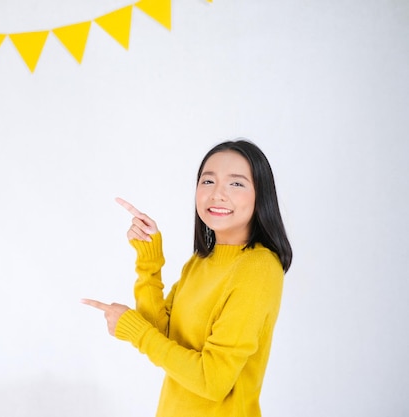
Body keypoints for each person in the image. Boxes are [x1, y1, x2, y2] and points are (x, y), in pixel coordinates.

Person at [82, 139, 292, 417]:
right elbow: (162, 333)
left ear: (260, 195)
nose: (218, 194)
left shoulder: (258, 268)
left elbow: (212, 380)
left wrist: (134, 330)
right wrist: (149, 259)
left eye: (236, 183)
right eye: (208, 182)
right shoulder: (201, 261)